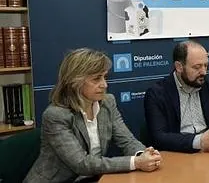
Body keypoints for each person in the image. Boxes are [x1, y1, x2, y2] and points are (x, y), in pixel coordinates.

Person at [24, 48, 161, 183]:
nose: (104, 84)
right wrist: (136, 162)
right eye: (96, 79)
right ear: (75, 82)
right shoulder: (56, 115)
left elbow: (127, 140)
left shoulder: (107, 102)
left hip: (93, 178)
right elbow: (81, 164)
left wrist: (143, 154)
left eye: (104, 77)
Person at [144, 40, 209, 153]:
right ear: (179, 67)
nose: (204, 72)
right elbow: (159, 138)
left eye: (206, 66)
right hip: (179, 156)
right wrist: (200, 141)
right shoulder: (157, 94)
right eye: (197, 67)